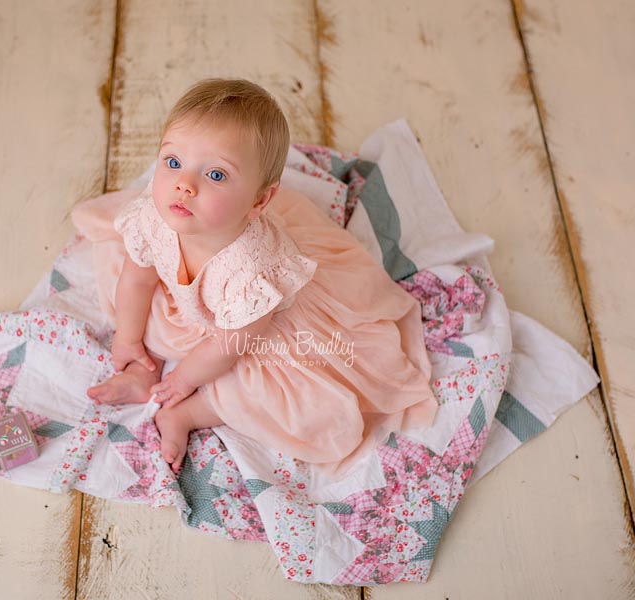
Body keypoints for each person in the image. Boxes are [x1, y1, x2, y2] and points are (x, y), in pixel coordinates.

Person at [71, 78, 437, 477]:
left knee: (282, 395)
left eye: (215, 175)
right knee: (131, 296)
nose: (184, 185)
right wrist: (127, 340)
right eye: (173, 162)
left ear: (258, 201)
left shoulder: (255, 269)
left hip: (255, 334)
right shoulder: (156, 217)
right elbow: (137, 280)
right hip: (199, 312)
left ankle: (189, 413)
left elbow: (231, 345)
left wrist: (183, 381)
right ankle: (143, 371)